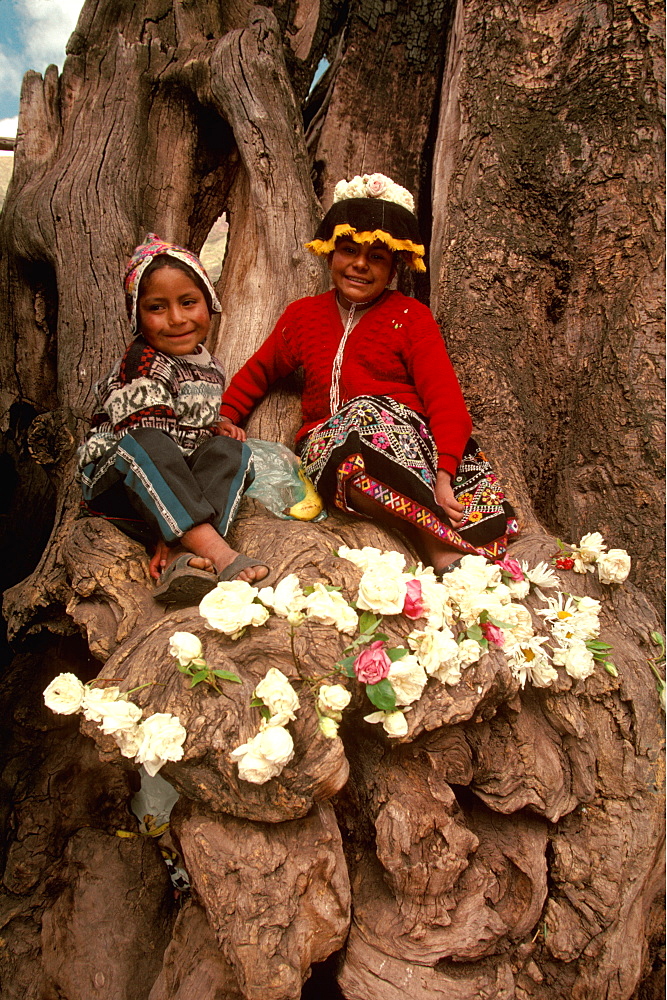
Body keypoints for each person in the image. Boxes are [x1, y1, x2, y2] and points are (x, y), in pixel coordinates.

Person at [218, 174, 516, 574]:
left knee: (372, 416)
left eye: (376, 256)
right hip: (334, 449)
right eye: (348, 250)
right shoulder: (302, 317)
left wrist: (444, 476)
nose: (359, 264)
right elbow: (258, 372)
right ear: (329, 255)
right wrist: (225, 415)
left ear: (394, 267)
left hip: (411, 449)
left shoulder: (410, 317)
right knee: (352, 445)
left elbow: (445, 400)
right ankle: (436, 543)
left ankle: (435, 535)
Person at [77, 234, 269, 602]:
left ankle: (182, 552)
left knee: (232, 451)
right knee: (148, 442)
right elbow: (149, 443)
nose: (177, 319)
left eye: (188, 302)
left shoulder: (209, 365)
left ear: (209, 303)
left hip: (170, 498)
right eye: (157, 307)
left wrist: (214, 428)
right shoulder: (143, 362)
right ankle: (217, 551)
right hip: (118, 487)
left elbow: (187, 424)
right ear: (137, 316)